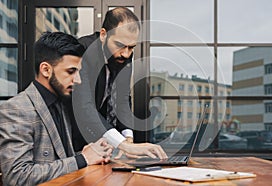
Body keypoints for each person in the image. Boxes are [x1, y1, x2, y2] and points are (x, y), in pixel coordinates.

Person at [0, 32, 113, 186]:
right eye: (71, 71)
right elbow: (17, 176)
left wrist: (89, 152)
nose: (78, 80)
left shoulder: (61, 104)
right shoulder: (17, 109)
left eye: (79, 72)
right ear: (46, 70)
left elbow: (58, 160)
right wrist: (83, 159)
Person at [73, 7, 167, 159]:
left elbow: (122, 98)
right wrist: (123, 144)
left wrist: (128, 136)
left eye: (131, 47)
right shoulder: (82, 50)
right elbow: (84, 106)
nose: (126, 54)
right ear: (103, 35)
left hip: (101, 142)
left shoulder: (123, 54)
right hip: (75, 139)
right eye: (120, 45)